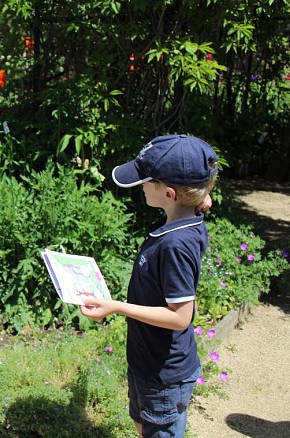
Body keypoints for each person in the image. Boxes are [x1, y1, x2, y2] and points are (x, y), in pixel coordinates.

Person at [80, 134, 219, 438]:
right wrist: (202, 196)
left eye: (146, 181)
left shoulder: (176, 245)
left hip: (164, 374)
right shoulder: (185, 217)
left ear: (169, 194)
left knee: (160, 428)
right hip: (147, 360)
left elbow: (181, 317)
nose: (141, 185)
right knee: (144, 423)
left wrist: (116, 307)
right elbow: (202, 195)